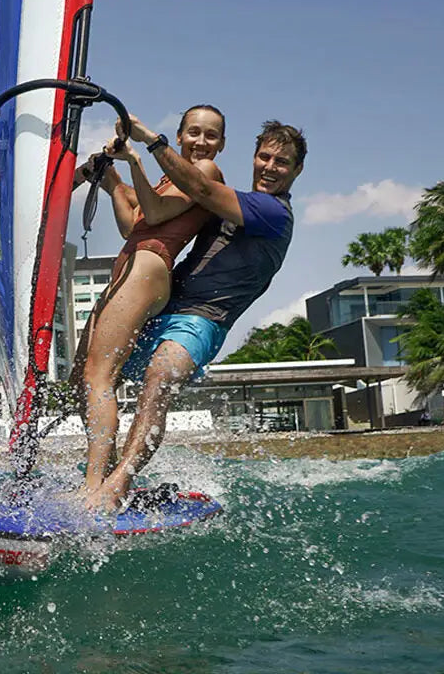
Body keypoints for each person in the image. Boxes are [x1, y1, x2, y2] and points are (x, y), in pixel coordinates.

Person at [81, 116, 306, 513]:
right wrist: (111, 175)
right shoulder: (229, 199)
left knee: (159, 380)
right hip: (165, 311)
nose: (270, 168)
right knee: (92, 378)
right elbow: (150, 210)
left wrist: (151, 141)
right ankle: (100, 476)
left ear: (296, 171)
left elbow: (198, 185)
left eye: (282, 162)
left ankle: (117, 484)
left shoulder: (273, 212)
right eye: (265, 157)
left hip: (203, 321)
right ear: (254, 158)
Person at [69, 106, 227, 505]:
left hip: (149, 265)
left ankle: (94, 490)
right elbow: (133, 223)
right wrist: (112, 179)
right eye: (194, 133)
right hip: (133, 261)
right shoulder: (166, 179)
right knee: (82, 379)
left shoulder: (205, 173)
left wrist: (137, 154)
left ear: (221, 145)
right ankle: (102, 476)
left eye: (211, 135)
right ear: (180, 136)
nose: (201, 142)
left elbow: (154, 214)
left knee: (99, 375)